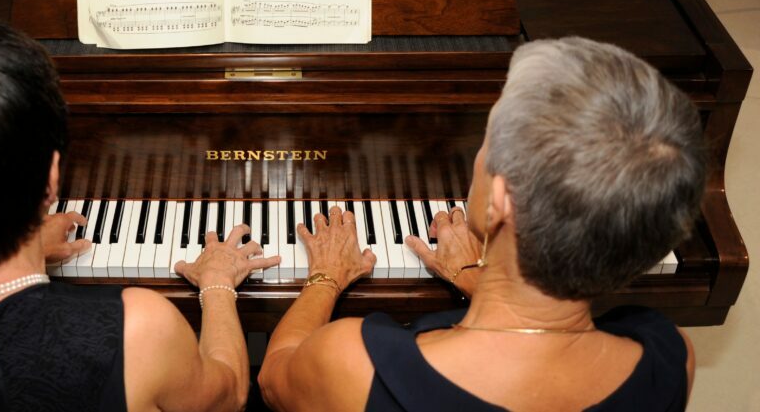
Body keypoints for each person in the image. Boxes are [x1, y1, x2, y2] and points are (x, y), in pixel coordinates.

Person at [0, 20, 279, 412]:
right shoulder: (141, 326)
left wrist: (21, 249)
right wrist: (218, 284)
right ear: (51, 178)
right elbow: (229, 396)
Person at [258, 37, 703, 412]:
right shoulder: (672, 358)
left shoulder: (356, 364)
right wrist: (476, 277)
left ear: (498, 201)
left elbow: (274, 379)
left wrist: (325, 277)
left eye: (485, 143)